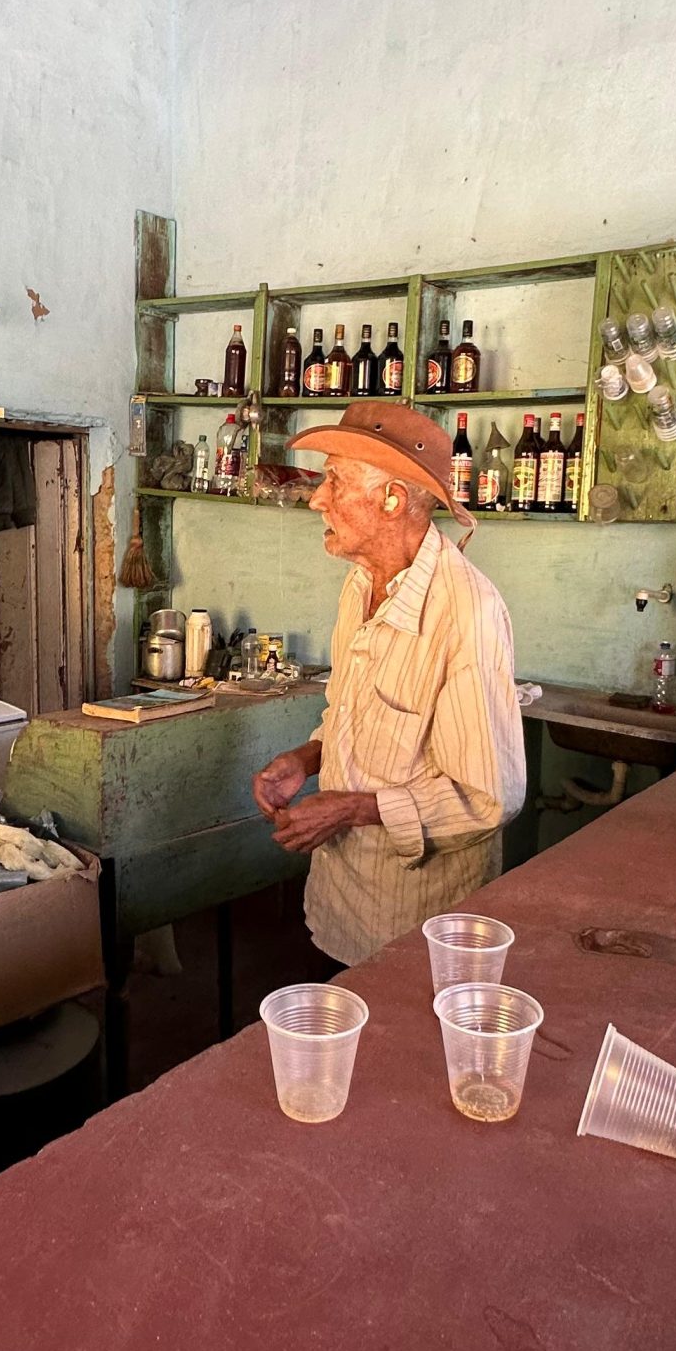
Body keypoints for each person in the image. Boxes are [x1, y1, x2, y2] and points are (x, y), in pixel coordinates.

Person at [250, 400, 525, 967]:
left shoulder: (465, 612)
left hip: (415, 924)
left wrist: (348, 810)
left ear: (392, 499)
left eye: (333, 481)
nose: (316, 498)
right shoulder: (361, 583)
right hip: (341, 898)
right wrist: (305, 759)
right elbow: (351, 711)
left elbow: (488, 799)